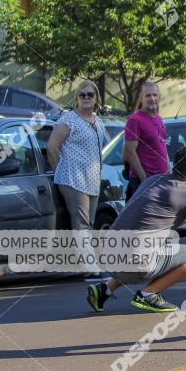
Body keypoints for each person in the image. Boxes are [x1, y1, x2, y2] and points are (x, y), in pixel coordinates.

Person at [86, 147, 186, 313]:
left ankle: (104, 290)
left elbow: (167, 218)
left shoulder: (153, 180)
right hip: (136, 265)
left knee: (150, 242)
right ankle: (149, 294)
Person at [47, 80, 107, 281]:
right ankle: (91, 268)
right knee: (81, 224)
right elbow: (52, 147)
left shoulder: (97, 121)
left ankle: (87, 264)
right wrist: (60, 171)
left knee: (89, 223)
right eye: (82, 95)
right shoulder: (69, 120)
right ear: (76, 98)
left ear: (96, 98)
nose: (87, 98)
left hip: (92, 179)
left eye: (90, 95)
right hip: (72, 178)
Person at [123, 82, 169, 201]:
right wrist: (144, 179)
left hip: (161, 179)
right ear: (141, 98)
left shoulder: (158, 118)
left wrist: (168, 169)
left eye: (155, 95)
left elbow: (162, 146)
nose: (152, 98)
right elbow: (129, 152)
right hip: (144, 183)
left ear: (159, 97)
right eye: (148, 95)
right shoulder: (135, 120)